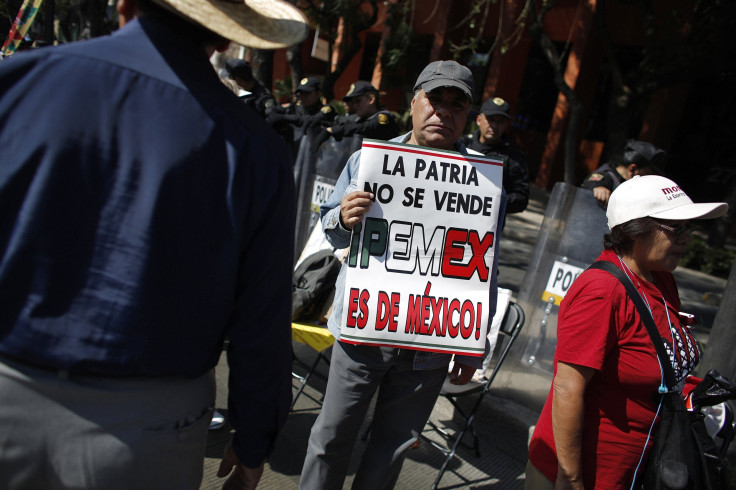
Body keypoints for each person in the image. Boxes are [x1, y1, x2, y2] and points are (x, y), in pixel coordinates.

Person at [0, 1, 307, 489]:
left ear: (124, 5)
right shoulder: (256, 151)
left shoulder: (23, 80)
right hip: (146, 430)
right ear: (225, 36)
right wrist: (253, 439)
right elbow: (261, 320)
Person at [299, 60, 506, 490]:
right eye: (434, 99)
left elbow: (484, 266)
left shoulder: (485, 185)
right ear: (413, 103)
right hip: (362, 334)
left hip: (430, 346)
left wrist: (472, 344)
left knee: (394, 447)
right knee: (330, 438)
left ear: (467, 115)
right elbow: (332, 232)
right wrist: (343, 216)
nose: (443, 112)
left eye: (457, 104)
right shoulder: (368, 162)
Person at [525, 175, 728, 489]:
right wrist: (571, 477)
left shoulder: (660, 279)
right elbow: (567, 388)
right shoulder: (602, 291)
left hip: (635, 469)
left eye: (690, 228)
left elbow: (661, 359)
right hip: (586, 475)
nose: (687, 238)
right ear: (635, 228)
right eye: (677, 228)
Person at [464, 96, 530, 214]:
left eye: (500, 121)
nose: (494, 125)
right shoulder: (462, 145)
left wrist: (492, 200)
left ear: (506, 125)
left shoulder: (514, 157)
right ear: (479, 120)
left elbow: (521, 198)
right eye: (491, 119)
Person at [582, 139, 667, 207]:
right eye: (648, 174)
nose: (650, 179)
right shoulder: (607, 176)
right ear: (632, 169)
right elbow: (593, 182)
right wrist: (599, 188)